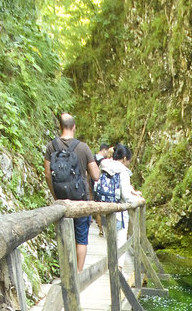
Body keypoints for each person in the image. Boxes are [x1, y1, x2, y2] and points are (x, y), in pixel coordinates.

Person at [43, 113, 100, 271]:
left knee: (64, 238)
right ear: (74, 127)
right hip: (80, 199)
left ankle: (66, 272)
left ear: (60, 127)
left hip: (61, 201)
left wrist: (56, 195)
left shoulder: (51, 147)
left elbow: (48, 174)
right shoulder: (83, 147)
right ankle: (78, 275)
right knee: (81, 238)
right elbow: (95, 175)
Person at [98, 142, 144, 229]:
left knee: (109, 241)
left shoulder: (104, 166)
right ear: (124, 158)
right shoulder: (123, 172)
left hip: (104, 211)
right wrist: (139, 199)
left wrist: (131, 190)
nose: (129, 163)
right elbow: (126, 196)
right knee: (121, 242)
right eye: (129, 160)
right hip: (119, 215)